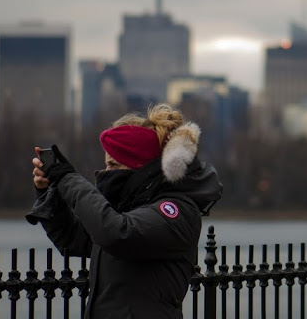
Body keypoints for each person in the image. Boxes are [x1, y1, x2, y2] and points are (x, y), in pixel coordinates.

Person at [26, 104, 222, 318]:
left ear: (139, 166)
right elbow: (73, 239)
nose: (105, 173)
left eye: (113, 165)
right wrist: (48, 193)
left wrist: (68, 179)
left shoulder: (176, 211)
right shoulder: (127, 209)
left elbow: (116, 233)